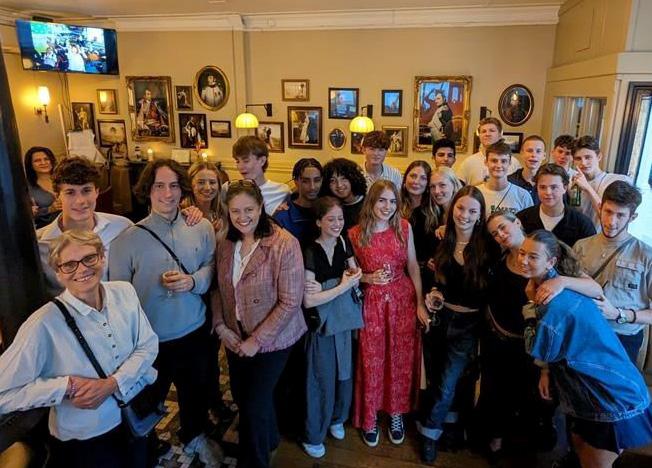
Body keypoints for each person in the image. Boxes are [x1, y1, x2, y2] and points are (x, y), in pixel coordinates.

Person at [0, 230, 158, 467]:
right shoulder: (43, 324)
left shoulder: (124, 291)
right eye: (69, 265)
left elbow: (148, 344)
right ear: (58, 273)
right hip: (88, 438)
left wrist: (112, 384)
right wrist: (64, 387)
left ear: (102, 257)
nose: (82, 269)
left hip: (134, 415)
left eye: (89, 258)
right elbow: (3, 394)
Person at [109, 159, 222, 466]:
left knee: (195, 392)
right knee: (148, 399)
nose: (167, 194)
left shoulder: (200, 227)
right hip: (150, 340)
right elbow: (119, 298)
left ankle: (194, 436)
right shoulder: (126, 240)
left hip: (194, 330)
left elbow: (212, 266)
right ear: (148, 190)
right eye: (159, 186)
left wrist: (193, 281)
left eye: (173, 186)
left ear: (182, 189)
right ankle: (146, 447)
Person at [520, 230, 652, 468]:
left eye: (533, 256)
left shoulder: (555, 302)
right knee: (582, 450)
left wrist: (530, 307)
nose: (523, 260)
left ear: (551, 262)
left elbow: (539, 349)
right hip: (594, 391)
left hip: (606, 395)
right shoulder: (560, 284)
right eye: (522, 253)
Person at [481, 212, 601, 463]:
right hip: (501, 343)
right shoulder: (499, 258)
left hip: (537, 348)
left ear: (517, 222)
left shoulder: (546, 255)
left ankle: (529, 449)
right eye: (494, 233)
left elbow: (594, 289)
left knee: (534, 401)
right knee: (497, 396)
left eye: (503, 228)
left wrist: (562, 282)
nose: (500, 235)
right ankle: (496, 443)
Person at [211, 180, 306, 468]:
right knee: (244, 396)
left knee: (253, 407)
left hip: (274, 339)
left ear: (261, 207)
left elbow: (290, 302)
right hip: (235, 335)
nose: (242, 217)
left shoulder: (284, 244)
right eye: (235, 211)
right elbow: (218, 289)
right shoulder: (225, 242)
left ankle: (254, 461)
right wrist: (221, 327)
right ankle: (270, 438)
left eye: (249, 209)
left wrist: (257, 340)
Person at [418, 185, 498, 463]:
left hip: (469, 323)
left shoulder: (488, 246)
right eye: (460, 208)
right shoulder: (440, 238)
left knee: (449, 382)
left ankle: (429, 435)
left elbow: (491, 289)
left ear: (480, 215)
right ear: (452, 209)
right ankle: (445, 428)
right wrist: (433, 294)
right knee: (437, 378)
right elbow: (431, 278)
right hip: (440, 319)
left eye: (472, 211)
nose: (464, 215)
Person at [349, 180, 429, 447]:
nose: (388, 206)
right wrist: (367, 277)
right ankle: (369, 416)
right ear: (371, 202)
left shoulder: (403, 227)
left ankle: (396, 413)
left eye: (393, 201)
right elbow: (349, 273)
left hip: (403, 299)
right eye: (382, 200)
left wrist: (420, 303)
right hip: (372, 302)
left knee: (399, 360)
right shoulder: (355, 233)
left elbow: (413, 266)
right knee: (372, 360)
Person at [301, 197, 363, 458]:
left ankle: (337, 418)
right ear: (318, 222)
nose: (337, 224)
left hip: (343, 320)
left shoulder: (343, 242)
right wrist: (341, 285)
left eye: (340, 218)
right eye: (331, 219)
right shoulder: (310, 251)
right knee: (320, 378)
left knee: (344, 374)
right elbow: (309, 300)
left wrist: (330, 286)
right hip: (321, 325)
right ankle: (314, 434)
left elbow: (356, 275)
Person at [573, 180, 652, 363]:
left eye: (620, 215)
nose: (611, 221)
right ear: (600, 208)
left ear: (632, 217)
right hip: (582, 331)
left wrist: (618, 314)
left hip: (621, 339)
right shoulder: (581, 246)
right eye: (608, 212)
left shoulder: (646, 256)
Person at [37, 157, 133, 297]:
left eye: (86, 190)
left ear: (97, 192)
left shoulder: (122, 227)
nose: (80, 201)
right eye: (70, 192)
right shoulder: (39, 243)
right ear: (58, 196)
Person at [183, 161, 232, 421]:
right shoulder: (183, 214)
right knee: (197, 352)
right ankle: (198, 408)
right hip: (194, 289)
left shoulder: (223, 212)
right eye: (201, 182)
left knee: (212, 349)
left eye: (212, 182)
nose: (207, 187)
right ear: (191, 185)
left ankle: (214, 400)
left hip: (218, 288)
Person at [517, 163, 596, 247]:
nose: (548, 192)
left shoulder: (582, 224)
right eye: (542, 187)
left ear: (565, 188)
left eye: (554, 187)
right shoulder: (522, 219)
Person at [571, 135, 630, 231]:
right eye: (578, 159)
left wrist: (587, 187)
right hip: (580, 236)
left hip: (603, 236)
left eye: (588, 157)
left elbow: (609, 217)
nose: (583, 163)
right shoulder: (573, 184)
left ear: (599, 157)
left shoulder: (616, 180)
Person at [226, 136, 291, 215]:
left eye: (246, 161)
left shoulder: (282, 191)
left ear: (262, 161)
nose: (240, 167)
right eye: (237, 161)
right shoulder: (229, 189)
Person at [456, 117, 521, 186]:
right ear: (479, 136)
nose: (487, 134)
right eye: (483, 131)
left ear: (500, 134)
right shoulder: (468, 163)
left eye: (492, 131)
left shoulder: (514, 163)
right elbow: (458, 189)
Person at [274, 158, 323, 246]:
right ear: (296, 182)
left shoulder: (328, 211)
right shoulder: (283, 217)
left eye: (317, 180)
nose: (312, 187)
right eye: (305, 181)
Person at [477, 141, 533, 217]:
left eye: (503, 161)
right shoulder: (476, 194)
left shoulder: (523, 196)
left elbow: (530, 223)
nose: (499, 165)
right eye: (494, 161)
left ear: (510, 163)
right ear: (486, 162)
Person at [320, 158, 367, 232]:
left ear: (353, 179)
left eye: (343, 178)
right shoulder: (329, 207)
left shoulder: (369, 203)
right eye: (332, 181)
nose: (339, 185)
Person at [23, 146, 61, 228]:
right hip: (44, 230)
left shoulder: (64, 179)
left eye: (46, 159)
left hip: (71, 226)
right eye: (37, 160)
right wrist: (49, 209)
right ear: (30, 165)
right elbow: (25, 215)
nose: (43, 163)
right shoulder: (25, 187)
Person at [508, 135, 547, 204]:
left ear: (544, 156)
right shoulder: (509, 182)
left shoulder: (550, 183)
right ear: (522, 153)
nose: (533, 155)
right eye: (529, 151)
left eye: (538, 151)